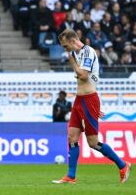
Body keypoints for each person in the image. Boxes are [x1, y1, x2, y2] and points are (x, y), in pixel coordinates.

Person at [52, 29, 131, 184]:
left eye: (65, 45)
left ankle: (123, 165)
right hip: (79, 100)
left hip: (89, 99)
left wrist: (73, 63)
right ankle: (71, 176)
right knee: (72, 137)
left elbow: (84, 75)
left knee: (93, 142)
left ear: (73, 40)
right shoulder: (75, 54)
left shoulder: (88, 52)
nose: (64, 49)